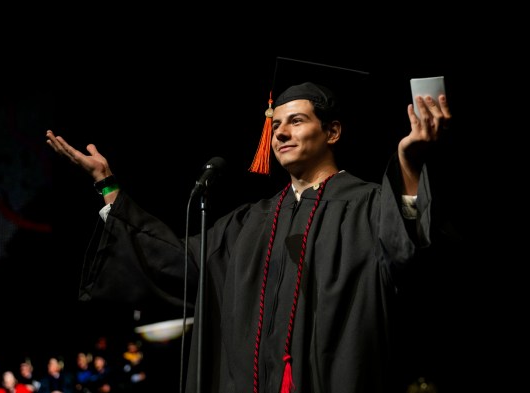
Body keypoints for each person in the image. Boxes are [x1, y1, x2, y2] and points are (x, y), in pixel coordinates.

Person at [45, 71, 452, 393]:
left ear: (332, 132)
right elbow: (176, 261)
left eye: (297, 121)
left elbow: (411, 258)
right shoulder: (249, 222)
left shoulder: (366, 205)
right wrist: (108, 186)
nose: (280, 133)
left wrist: (410, 167)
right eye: (277, 124)